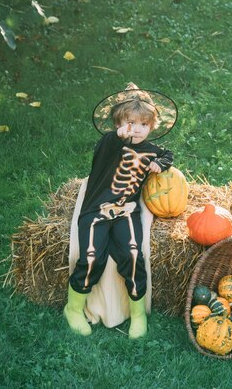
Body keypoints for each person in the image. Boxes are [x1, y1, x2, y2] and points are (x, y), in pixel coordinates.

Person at [64, 89, 173, 337]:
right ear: (118, 124)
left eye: (143, 124)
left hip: (127, 211)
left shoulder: (151, 150)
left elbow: (168, 154)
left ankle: (137, 314)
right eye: (130, 123)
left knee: (133, 255)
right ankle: (73, 308)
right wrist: (117, 136)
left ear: (151, 126)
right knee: (92, 257)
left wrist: (161, 163)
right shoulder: (109, 145)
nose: (136, 129)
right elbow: (109, 142)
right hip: (97, 208)